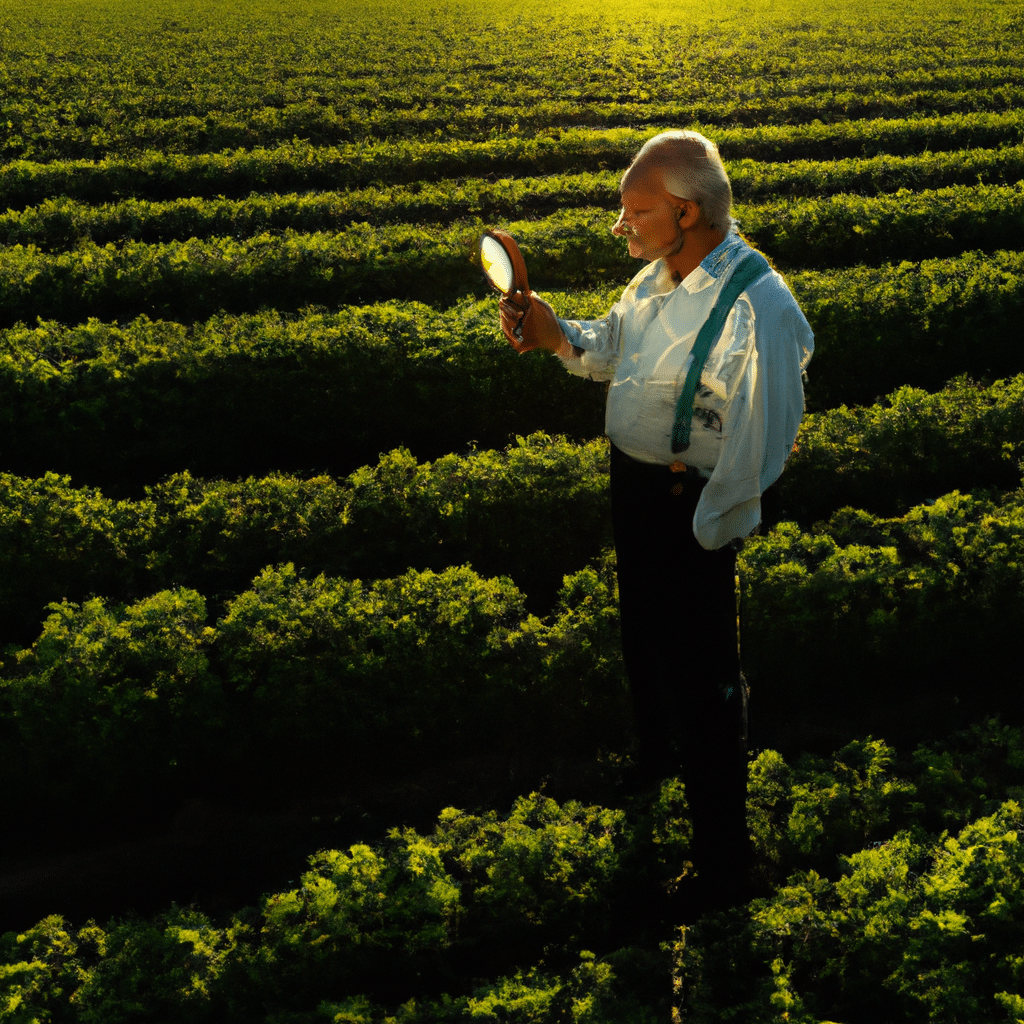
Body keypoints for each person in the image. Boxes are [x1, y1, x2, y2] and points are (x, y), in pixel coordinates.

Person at [498, 130, 814, 913]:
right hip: (635, 488)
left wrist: (711, 527)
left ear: (685, 209)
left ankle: (724, 863)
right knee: (641, 630)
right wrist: (555, 333)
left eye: (633, 210)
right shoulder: (655, 279)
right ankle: (655, 755)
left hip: (689, 502)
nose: (620, 225)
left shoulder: (758, 305)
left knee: (707, 676)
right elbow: (613, 351)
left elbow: (765, 434)